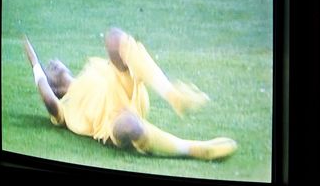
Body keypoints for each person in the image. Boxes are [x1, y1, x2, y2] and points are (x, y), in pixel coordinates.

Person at [21, 28, 237, 160]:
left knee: (114, 37)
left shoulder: (90, 68)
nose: (52, 63)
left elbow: (120, 66)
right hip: (114, 121)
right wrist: (35, 64)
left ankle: (173, 95)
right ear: (55, 87)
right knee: (130, 126)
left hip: (125, 87)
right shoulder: (64, 106)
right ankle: (194, 149)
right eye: (49, 68)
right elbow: (48, 99)